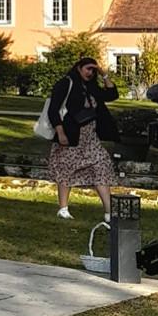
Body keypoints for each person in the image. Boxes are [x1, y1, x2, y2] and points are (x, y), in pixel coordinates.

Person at [47, 57, 118, 221]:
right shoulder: (66, 83)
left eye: (93, 70)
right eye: (88, 69)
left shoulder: (91, 87)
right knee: (66, 169)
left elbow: (112, 95)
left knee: (101, 166)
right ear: (79, 68)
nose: (90, 73)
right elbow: (53, 110)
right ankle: (63, 208)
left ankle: (109, 212)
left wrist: (103, 74)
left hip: (90, 137)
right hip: (71, 135)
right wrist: (61, 133)